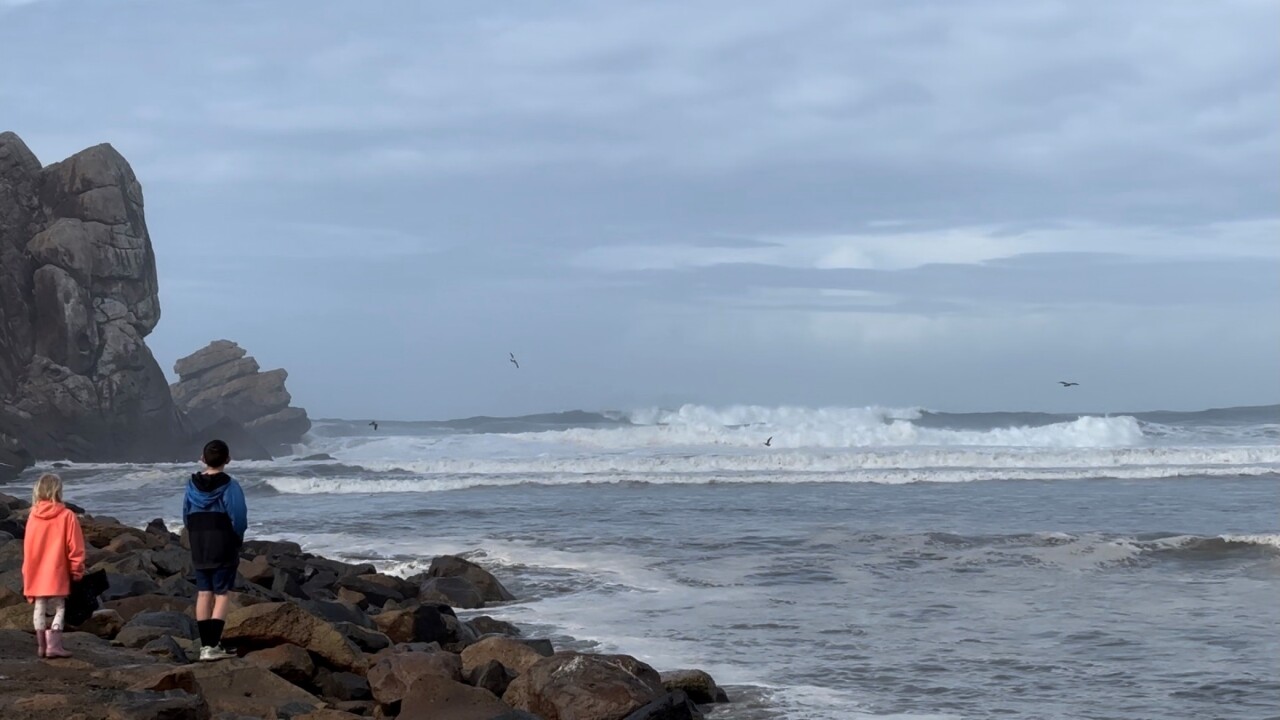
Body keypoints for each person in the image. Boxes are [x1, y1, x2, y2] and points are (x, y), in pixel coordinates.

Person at [183, 439, 248, 662]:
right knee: (222, 594)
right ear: (228, 460)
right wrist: (237, 538)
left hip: (199, 541)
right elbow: (238, 517)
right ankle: (213, 645)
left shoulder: (191, 485)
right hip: (222, 541)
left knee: (203, 592)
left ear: (202, 458)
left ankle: (205, 646)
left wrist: (192, 533)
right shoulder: (230, 485)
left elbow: (186, 514)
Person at [22, 473, 86, 658]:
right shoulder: (67, 516)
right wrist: (76, 568)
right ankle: (54, 646)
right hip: (57, 569)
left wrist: (27, 570)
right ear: (58, 490)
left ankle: (41, 646)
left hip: (35, 569)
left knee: (40, 606)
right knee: (60, 607)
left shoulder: (33, 515)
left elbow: (28, 545)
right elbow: (76, 546)